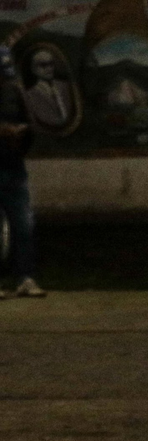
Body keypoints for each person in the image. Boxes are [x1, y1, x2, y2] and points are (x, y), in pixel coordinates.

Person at [0, 46, 45, 299]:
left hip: (12, 165)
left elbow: (30, 124)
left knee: (23, 223)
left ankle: (25, 277)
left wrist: (20, 138)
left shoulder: (14, 91)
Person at [23, 48, 74, 131]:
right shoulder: (29, 95)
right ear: (33, 69)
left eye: (51, 64)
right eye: (43, 65)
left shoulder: (65, 86)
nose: (49, 68)